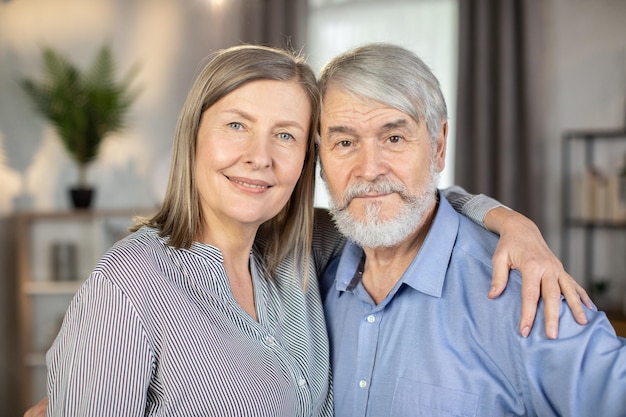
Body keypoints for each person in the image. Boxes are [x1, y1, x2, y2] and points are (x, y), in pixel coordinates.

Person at [26, 44, 586, 417]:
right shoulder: (129, 285)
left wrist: (511, 224)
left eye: (286, 135)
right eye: (237, 126)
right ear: (193, 135)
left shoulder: (302, 252)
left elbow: (395, 197)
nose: (259, 158)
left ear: (309, 160)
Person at [316, 42, 626, 417]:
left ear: (439, 145)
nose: (369, 169)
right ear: (320, 159)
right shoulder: (314, 278)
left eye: (394, 138)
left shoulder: (522, 294)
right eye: (345, 142)